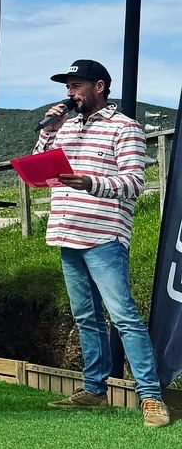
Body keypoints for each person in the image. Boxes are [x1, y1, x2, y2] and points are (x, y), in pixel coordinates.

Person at [36, 59, 170, 427]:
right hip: (66, 233)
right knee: (86, 317)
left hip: (104, 236)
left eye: (77, 84)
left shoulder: (125, 128)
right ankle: (94, 390)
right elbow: (40, 170)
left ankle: (151, 397)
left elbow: (134, 183)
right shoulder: (64, 127)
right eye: (67, 86)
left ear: (99, 86)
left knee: (123, 316)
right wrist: (49, 131)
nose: (70, 92)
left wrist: (90, 182)